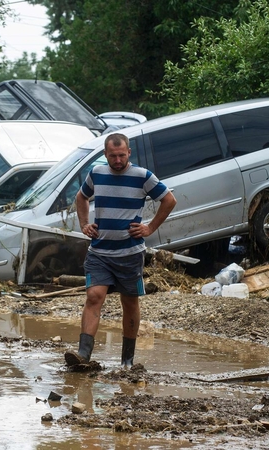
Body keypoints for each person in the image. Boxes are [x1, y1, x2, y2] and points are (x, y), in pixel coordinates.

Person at [64, 133, 177, 369]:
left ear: (129, 153)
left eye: (121, 155)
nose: (117, 160)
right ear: (105, 154)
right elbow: (81, 197)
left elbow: (169, 200)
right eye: (113, 156)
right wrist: (84, 224)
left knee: (130, 302)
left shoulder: (142, 176)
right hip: (100, 251)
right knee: (94, 296)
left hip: (130, 253)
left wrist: (150, 227)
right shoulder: (97, 173)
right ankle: (83, 356)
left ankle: (127, 361)